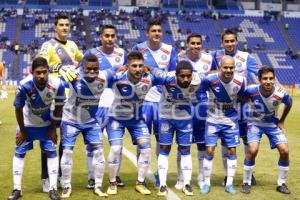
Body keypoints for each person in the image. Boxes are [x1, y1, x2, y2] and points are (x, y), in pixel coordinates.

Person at [100, 51, 165, 195]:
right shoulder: (118, 77)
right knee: (116, 149)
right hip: (116, 118)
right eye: (134, 66)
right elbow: (99, 77)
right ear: (127, 66)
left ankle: (140, 183)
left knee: (146, 149)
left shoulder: (150, 78)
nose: (137, 69)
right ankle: (112, 183)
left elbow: (167, 77)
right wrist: (115, 68)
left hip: (137, 120)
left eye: (140, 66)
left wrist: (152, 68)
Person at [7, 57, 65, 200]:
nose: (41, 76)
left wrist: (53, 128)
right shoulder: (24, 86)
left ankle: (52, 189)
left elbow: (59, 108)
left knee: (52, 153)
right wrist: (22, 130)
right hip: (27, 124)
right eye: (38, 73)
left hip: (46, 125)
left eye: (44, 72)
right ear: (32, 72)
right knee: (19, 152)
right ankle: (17, 189)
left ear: (48, 71)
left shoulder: (58, 85)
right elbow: (18, 109)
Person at [39, 13, 84, 192]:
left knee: (65, 141)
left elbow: (81, 60)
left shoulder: (73, 45)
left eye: (67, 25)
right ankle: (45, 177)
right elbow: (39, 63)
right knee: (49, 137)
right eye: (62, 25)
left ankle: (57, 175)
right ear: (55, 27)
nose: (65, 28)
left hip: (69, 100)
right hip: (51, 99)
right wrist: (58, 67)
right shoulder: (48, 45)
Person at [60, 54, 114, 198]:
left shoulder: (104, 76)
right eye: (88, 69)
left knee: (98, 152)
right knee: (67, 152)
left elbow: (118, 72)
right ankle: (66, 186)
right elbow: (57, 78)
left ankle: (97, 186)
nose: (92, 72)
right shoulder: (73, 76)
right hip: (71, 119)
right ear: (83, 68)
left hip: (91, 121)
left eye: (95, 69)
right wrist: (60, 69)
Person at [211, 29, 259, 186]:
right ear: (222, 42)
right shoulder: (215, 56)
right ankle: (227, 176)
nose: (230, 44)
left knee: (247, 139)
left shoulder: (246, 57)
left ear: (237, 41)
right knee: (226, 141)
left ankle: (249, 174)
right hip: (224, 107)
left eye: (232, 41)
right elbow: (209, 73)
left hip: (243, 106)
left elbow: (260, 74)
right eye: (227, 41)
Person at [132, 19, 177, 187]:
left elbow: (173, 74)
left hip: (163, 102)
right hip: (143, 101)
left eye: (159, 30)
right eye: (153, 31)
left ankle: (160, 172)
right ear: (147, 33)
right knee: (142, 139)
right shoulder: (138, 49)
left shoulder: (169, 50)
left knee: (161, 139)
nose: (157, 33)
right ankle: (140, 174)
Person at [81, 24, 127, 189]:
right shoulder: (91, 54)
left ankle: (116, 174)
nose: (109, 39)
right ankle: (92, 177)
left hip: (117, 106)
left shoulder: (122, 54)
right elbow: (81, 75)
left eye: (112, 36)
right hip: (96, 106)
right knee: (93, 144)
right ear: (101, 37)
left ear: (116, 37)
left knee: (117, 144)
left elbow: (127, 74)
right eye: (106, 35)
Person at [241, 66, 292, 194]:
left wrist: (282, 120)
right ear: (259, 79)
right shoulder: (251, 91)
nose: (268, 81)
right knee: (252, 150)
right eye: (265, 78)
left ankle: (281, 184)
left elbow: (289, 103)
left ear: (274, 79)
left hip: (272, 125)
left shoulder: (281, 93)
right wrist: (245, 113)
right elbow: (241, 98)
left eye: (271, 78)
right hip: (255, 124)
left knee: (285, 151)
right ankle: (246, 182)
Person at [157, 60, 204, 196]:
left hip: (185, 118)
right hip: (166, 117)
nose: (185, 79)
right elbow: (151, 75)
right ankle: (162, 184)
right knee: (165, 148)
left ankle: (187, 184)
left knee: (185, 149)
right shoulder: (166, 78)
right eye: (182, 76)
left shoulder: (198, 79)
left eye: (188, 76)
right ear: (176, 74)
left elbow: (214, 75)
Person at [201, 55, 246, 195]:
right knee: (209, 151)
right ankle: (206, 183)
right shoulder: (210, 79)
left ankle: (229, 184)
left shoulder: (241, 81)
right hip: (213, 119)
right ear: (220, 67)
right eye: (225, 67)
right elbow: (200, 93)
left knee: (232, 151)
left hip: (230, 121)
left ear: (235, 68)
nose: (228, 70)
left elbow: (243, 98)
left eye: (231, 67)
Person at [176, 33, 213, 190]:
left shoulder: (210, 58)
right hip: (183, 104)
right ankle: (180, 178)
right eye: (193, 43)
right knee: (183, 144)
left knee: (201, 143)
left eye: (198, 43)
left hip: (202, 105)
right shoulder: (179, 59)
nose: (196, 46)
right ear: (187, 44)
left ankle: (201, 177)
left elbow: (218, 71)